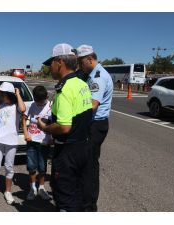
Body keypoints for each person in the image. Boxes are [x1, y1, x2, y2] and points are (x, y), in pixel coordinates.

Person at [37, 43, 94, 212]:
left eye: (51, 63)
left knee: (65, 197)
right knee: (79, 193)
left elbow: (63, 127)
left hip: (68, 153)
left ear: (60, 62)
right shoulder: (81, 83)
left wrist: (44, 127)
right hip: (84, 147)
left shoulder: (64, 88)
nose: (50, 68)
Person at [76, 44, 113, 211]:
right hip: (94, 124)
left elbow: (92, 105)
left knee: (90, 166)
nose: (79, 65)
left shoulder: (98, 76)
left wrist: (72, 118)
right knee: (86, 163)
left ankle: (89, 207)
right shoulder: (91, 74)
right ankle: (84, 199)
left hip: (95, 125)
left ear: (89, 59)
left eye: (81, 61)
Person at [0, 82, 26, 205]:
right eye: (1, 94)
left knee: (9, 167)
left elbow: (23, 109)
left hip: (12, 140)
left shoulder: (16, 106)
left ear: (9, 94)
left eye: (4, 94)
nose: (2, 96)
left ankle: (8, 191)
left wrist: (18, 94)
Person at [22, 85, 52, 201]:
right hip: (32, 141)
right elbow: (24, 119)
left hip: (44, 142)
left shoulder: (51, 106)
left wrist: (52, 138)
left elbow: (56, 123)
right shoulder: (32, 105)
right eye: (37, 102)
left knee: (42, 167)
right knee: (31, 166)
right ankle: (32, 188)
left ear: (47, 97)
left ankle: (42, 188)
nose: (39, 105)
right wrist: (26, 133)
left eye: (41, 102)